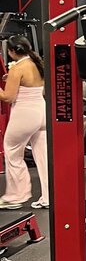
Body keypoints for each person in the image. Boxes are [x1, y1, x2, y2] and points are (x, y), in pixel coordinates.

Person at [0, 35, 48, 210]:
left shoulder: (17, 68)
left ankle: (15, 197)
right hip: (41, 112)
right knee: (43, 157)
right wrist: (11, 79)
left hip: (25, 114)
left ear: (12, 51)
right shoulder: (37, 63)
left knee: (12, 151)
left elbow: (8, 97)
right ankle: (48, 197)